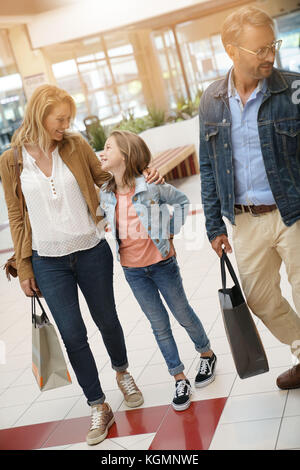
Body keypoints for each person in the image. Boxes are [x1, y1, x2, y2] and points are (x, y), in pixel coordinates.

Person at [0, 85, 163, 446]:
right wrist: (25, 269)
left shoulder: (74, 145)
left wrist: (141, 176)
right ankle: (98, 404)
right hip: (47, 260)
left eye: (68, 120)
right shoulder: (11, 160)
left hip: (90, 250)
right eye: (60, 119)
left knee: (107, 320)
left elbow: (107, 178)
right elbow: (16, 214)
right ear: (40, 114)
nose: (65, 125)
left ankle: (122, 372)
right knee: (73, 334)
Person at [199, 5, 300, 390]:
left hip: (292, 211)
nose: (269, 56)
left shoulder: (293, 89)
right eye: (259, 49)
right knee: (259, 300)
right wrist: (212, 225)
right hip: (243, 220)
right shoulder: (211, 101)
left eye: (271, 45)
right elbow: (209, 165)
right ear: (231, 50)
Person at [99, 130, 217, 412]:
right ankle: (178, 376)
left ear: (125, 155)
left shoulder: (149, 186)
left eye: (107, 147)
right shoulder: (106, 193)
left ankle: (207, 354)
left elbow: (182, 201)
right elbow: (105, 218)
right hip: (133, 272)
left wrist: (170, 232)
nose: (101, 153)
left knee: (183, 314)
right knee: (159, 325)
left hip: (163, 265)